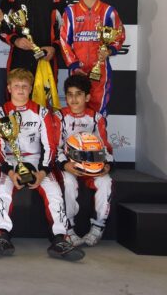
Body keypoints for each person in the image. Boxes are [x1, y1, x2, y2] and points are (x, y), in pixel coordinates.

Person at [0, 68, 84, 261]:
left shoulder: (42, 112)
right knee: (3, 190)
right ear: (9, 88)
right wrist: (9, 171)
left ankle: (60, 239)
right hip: (10, 161)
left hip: (37, 161)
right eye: (16, 86)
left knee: (54, 193)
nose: (21, 90)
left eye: (25, 86)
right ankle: (1, 235)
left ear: (31, 88)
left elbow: (51, 145)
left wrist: (43, 172)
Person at [56, 74, 113, 247]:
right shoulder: (59, 116)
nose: (73, 99)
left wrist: (107, 164)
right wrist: (64, 164)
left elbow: (105, 147)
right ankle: (68, 229)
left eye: (78, 94)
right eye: (70, 94)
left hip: (93, 164)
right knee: (68, 182)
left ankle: (98, 227)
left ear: (87, 97)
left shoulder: (96, 118)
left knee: (105, 182)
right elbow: (54, 147)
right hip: (69, 165)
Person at [59, 0, 125, 115]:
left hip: (100, 69)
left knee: (99, 109)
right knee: (76, 108)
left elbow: (119, 35)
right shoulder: (70, 12)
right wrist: (74, 65)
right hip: (78, 69)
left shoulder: (108, 11)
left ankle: (98, 131)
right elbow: (64, 41)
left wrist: (109, 50)